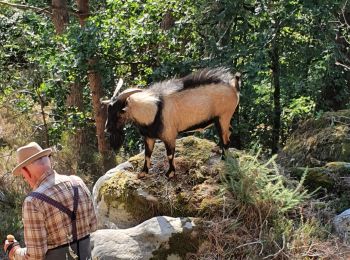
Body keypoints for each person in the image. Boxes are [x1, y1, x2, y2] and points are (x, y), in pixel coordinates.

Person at [3, 142, 97, 260]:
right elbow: (93, 226)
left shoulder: (33, 202)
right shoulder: (78, 182)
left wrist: (14, 251)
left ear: (26, 172)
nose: (25, 179)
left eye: (23, 176)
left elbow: (35, 257)